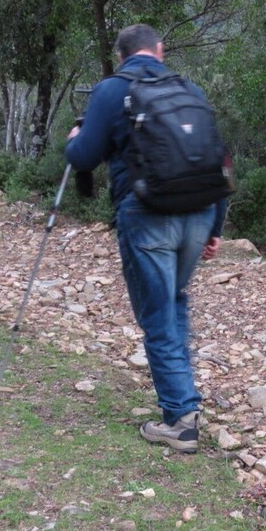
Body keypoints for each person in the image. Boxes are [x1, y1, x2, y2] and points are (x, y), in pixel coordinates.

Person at [65, 24, 226, 453]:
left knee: (158, 313)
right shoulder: (189, 88)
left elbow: (83, 157)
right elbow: (217, 156)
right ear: (160, 50)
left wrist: (75, 139)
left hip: (147, 214)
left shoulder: (111, 90)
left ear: (121, 56)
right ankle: (184, 400)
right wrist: (215, 228)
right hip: (200, 211)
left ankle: (181, 419)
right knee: (172, 301)